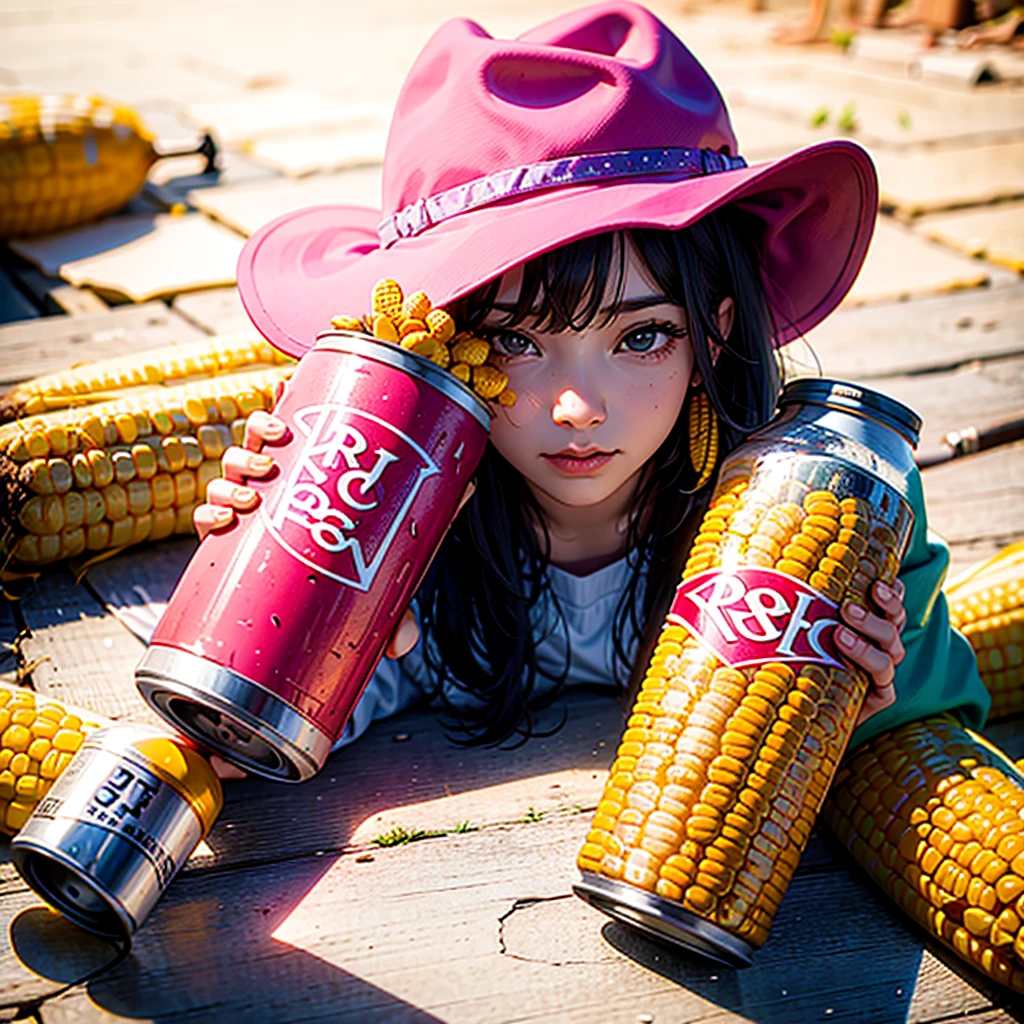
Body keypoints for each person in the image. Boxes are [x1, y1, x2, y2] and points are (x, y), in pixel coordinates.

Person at [197, 2, 988, 765]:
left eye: (642, 336)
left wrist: (866, 689)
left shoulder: (822, 519)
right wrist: (280, 612)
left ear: (712, 329)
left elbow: (936, 709)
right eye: (514, 341)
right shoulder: (394, 531)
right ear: (442, 346)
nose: (579, 408)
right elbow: (250, 734)